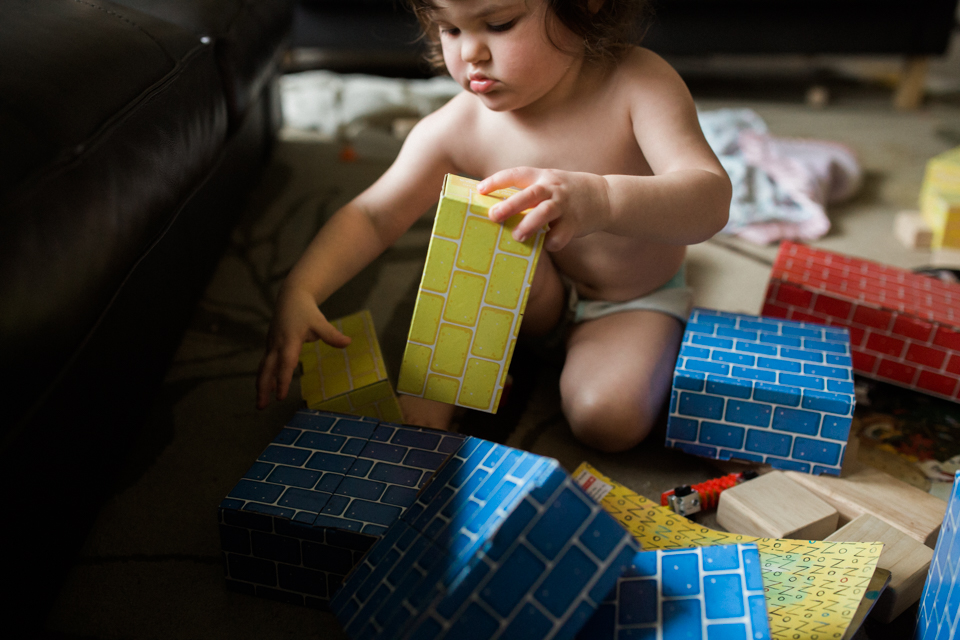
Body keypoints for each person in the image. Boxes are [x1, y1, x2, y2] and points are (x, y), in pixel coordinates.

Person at [256, 0, 731, 452]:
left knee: (605, 419)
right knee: (481, 219)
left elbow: (710, 199)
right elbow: (374, 215)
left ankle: (544, 363)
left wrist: (603, 199)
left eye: (499, 24)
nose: (470, 54)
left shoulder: (638, 84)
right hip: (530, 291)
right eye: (450, 28)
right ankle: (437, 398)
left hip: (630, 299)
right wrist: (301, 288)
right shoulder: (458, 127)